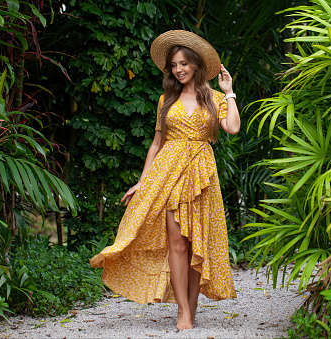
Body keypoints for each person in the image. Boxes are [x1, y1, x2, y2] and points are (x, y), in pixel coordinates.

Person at [90, 30, 240, 330]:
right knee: (178, 245)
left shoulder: (215, 97)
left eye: (184, 63)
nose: (178, 69)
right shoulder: (165, 100)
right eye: (174, 65)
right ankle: (183, 312)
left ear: (196, 64)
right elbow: (156, 145)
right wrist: (142, 182)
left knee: (197, 243)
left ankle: (192, 309)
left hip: (202, 175)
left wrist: (230, 91)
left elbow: (232, 128)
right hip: (168, 174)